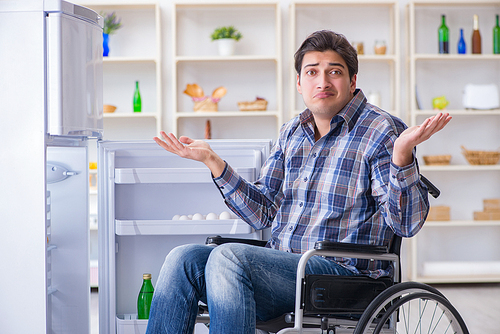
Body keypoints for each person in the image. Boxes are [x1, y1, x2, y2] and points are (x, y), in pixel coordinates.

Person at [146, 30, 451, 334]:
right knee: (182, 259)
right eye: (312, 72)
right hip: (283, 272)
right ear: (299, 83)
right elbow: (262, 213)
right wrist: (214, 162)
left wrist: (402, 155)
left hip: (341, 277)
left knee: (229, 258)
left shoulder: (382, 129)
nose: (323, 82)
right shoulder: (292, 131)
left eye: (335, 72)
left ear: (352, 81)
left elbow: (406, 225)